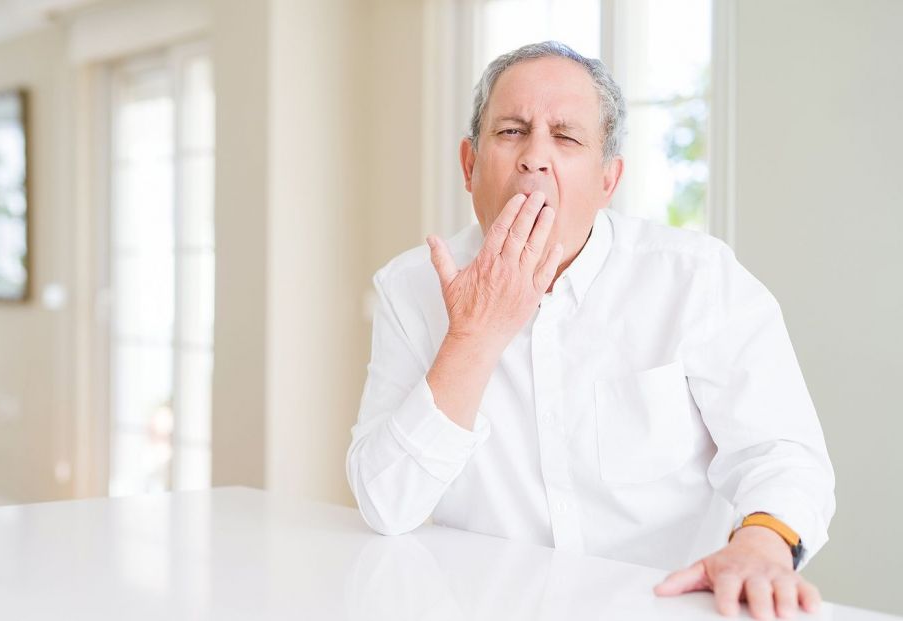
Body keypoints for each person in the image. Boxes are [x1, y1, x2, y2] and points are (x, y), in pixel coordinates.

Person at [346, 41, 834, 620]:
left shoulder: (697, 279)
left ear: (608, 179)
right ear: (469, 166)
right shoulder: (411, 288)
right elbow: (386, 503)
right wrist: (473, 337)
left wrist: (760, 542)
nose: (535, 158)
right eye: (510, 131)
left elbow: (782, 454)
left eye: (567, 137)